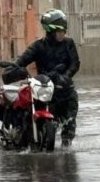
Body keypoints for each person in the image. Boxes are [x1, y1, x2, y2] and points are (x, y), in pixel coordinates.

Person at [15, 9, 80, 147]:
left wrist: (66, 77)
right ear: (51, 31)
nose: (63, 34)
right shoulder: (38, 46)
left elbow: (75, 63)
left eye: (64, 31)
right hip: (46, 92)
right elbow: (23, 60)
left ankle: (66, 152)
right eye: (60, 31)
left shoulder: (69, 43)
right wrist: (14, 68)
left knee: (69, 125)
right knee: (41, 121)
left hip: (66, 91)